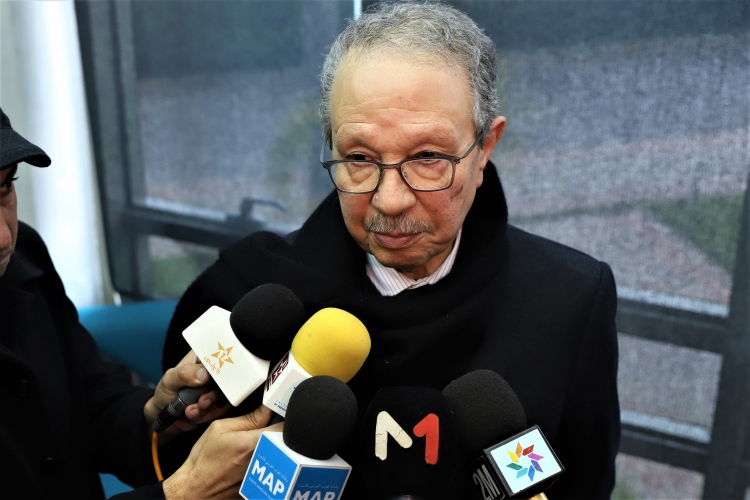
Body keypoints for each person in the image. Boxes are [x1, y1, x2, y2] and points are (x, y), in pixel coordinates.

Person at [162, 2, 620, 498]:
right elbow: (170, 460)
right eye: (359, 158)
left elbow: (586, 482)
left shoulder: (569, 299)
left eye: (427, 157)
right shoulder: (244, 291)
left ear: (485, 147)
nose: (390, 200)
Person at [0, 107, 281, 499]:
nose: (4, 237)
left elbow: (90, 401)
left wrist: (154, 415)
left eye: (5, 188)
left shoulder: (25, 254)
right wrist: (184, 492)